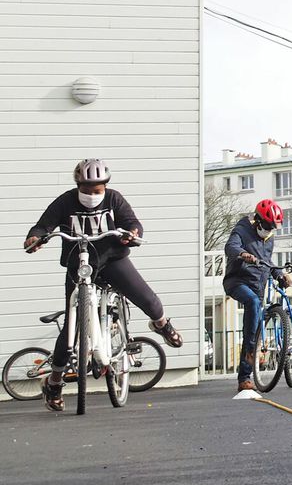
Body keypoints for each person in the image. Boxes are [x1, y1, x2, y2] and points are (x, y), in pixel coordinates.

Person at [24, 159, 184, 412]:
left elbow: (133, 223)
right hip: (79, 263)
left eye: (97, 189)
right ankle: (54, 383)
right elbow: (44, 224)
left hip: (112, 260)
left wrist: (131, 234)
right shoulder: (66, 201)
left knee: (148, 299)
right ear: (78, 185)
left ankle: (162, 324)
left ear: (105, 186)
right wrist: (35, 237)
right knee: (71, 329)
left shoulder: (114, 199)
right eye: (86, 189)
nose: (91, 194)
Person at [223, 198, 292, 392]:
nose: (270, 231)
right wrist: (243, 254)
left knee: (253, 326)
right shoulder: (242, 229)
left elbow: (267, 262)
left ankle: (244, 377)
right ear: (258, 221)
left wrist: (279, 274)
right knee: (252, 305)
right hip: (237, 282)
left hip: (258, 285)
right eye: (268, 226)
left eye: (273, 228)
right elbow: (230, 247)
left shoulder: (269, 238)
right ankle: (249, 360)